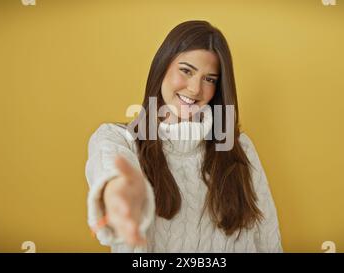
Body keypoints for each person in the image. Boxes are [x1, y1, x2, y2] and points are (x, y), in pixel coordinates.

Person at [85, 20, 282, 253]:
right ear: (162, 67)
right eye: (186, 71)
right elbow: (111, 172)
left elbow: (267, 237)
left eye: (209, 79)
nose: (195, 89)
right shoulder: (116, 138)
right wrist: (118, 195)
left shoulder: (239, 147)